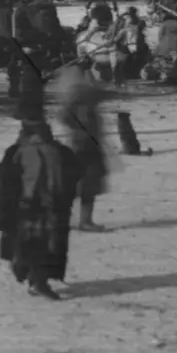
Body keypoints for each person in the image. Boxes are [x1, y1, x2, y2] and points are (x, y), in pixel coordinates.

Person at [0, 99, 83, 300]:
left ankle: (34, 277)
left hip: (42, 207)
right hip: (33, 206)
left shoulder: (52, 152)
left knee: (40, 246)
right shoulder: (26, 153)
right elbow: (2, 182)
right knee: (40, 246)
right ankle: (37, 280)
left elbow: (75, 173)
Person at [53, 61, 109, 232]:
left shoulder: (77, 93)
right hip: (85, 145)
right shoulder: (85, 93)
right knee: (87, 184)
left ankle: (65, 220)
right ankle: (84, 221)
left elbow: (63, 117)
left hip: (81, 143)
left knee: (76, 184)